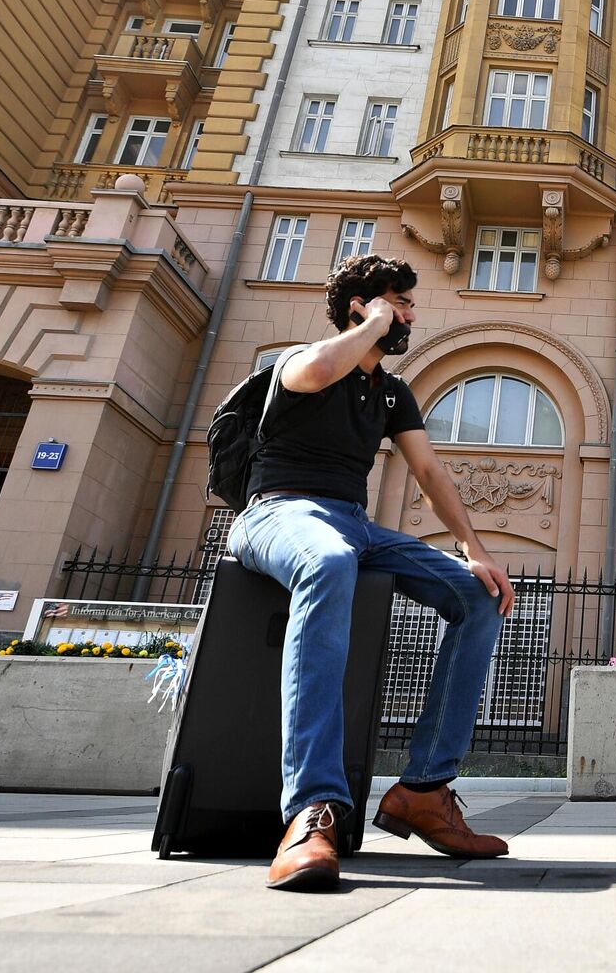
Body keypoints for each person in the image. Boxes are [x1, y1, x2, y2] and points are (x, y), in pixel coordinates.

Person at [231, 253, 518, 891]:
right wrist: (369, 326)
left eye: (410, 304)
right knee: (327, 562)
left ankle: (424, 790)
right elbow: (321, 371)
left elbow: (430, 472)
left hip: (353, 522)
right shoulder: (301, 360)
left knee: (477, 596)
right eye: (400, 301)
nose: (411, 314)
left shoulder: (391, 390)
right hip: (277, 512)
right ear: (364, 305)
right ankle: (312, 810)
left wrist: (472, 548)